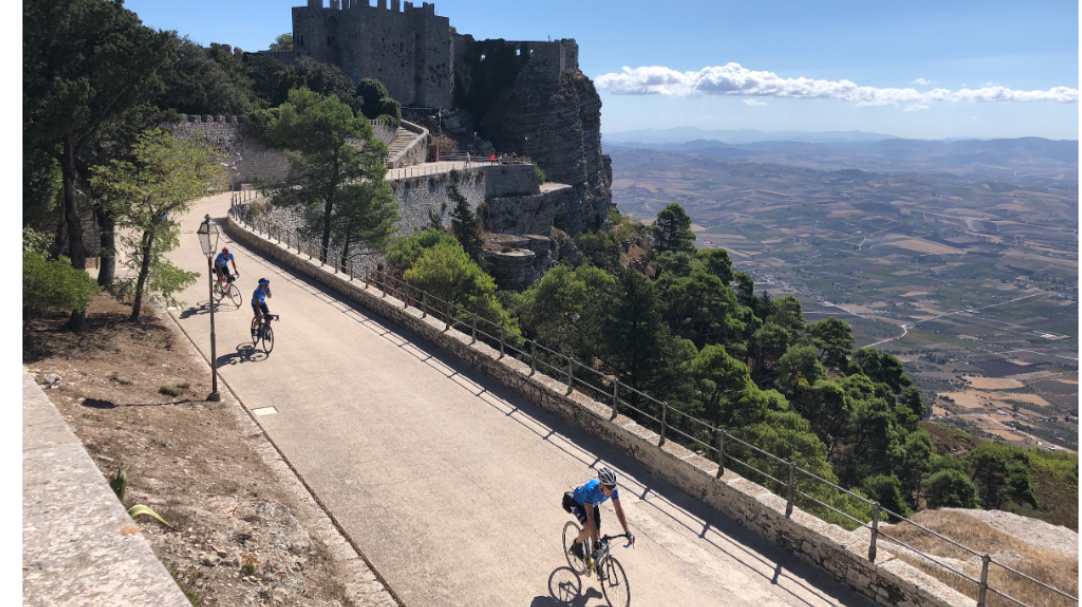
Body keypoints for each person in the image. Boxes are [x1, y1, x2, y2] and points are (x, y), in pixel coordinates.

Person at [562, 467, 635, 566]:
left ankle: (596, 565)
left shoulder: (612, 489)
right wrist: (595, 539)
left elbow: (618, 509)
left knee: (598, 538)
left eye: (613, 487)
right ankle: (576, 544)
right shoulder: (590, 490)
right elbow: (590, 517)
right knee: (591, 531)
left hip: (592, 504)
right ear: (601, 485)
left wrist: (627, 531)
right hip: (577, 503)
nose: (611, 491)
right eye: (609, 488)